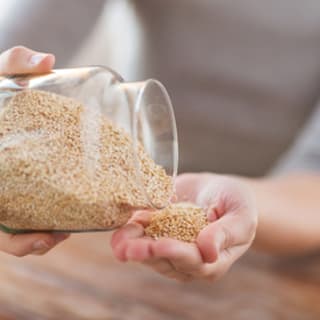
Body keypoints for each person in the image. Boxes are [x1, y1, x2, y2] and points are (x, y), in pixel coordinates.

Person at [0, 46, 320, 283]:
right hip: (124, 243)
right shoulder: (116, 182)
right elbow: (25, 41)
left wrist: (248, 200)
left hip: (289, 247)